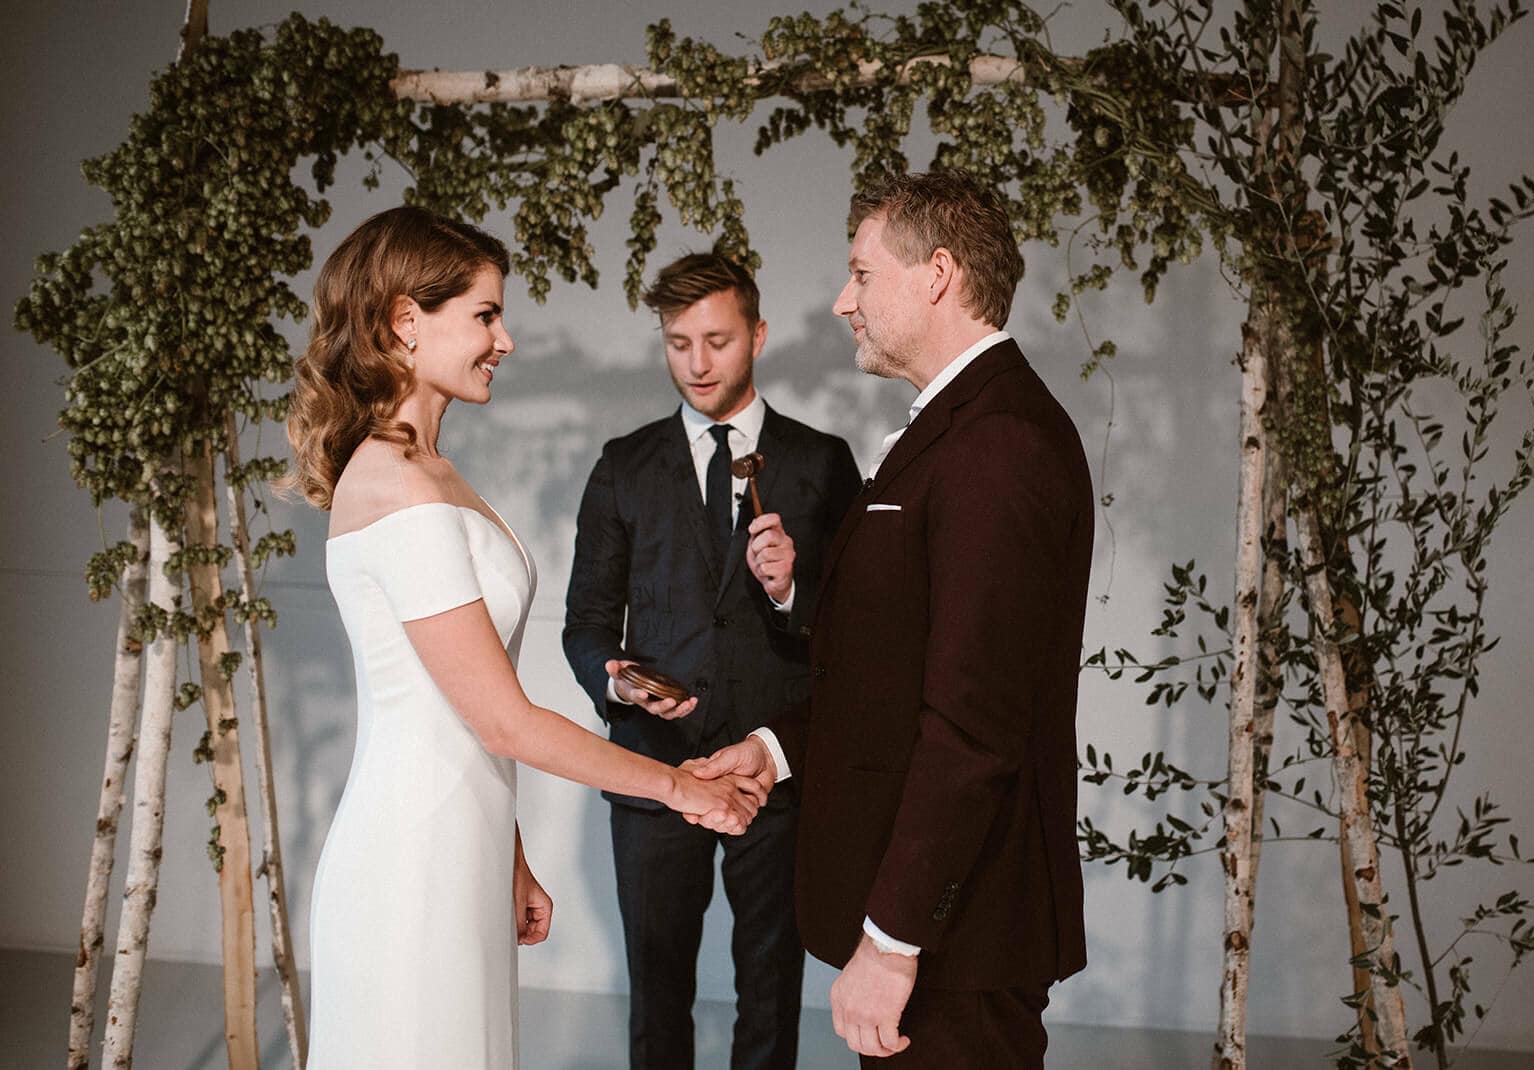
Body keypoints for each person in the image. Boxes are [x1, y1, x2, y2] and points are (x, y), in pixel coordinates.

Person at [286, 207, 762, 1070]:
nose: (503, 340)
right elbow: (503, 721)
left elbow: (459, 705)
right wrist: (679, 788)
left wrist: (506, 854)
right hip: (411, 862)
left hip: (459, 844)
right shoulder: (397, 484)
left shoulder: (429, 470)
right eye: (485, 316)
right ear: (406, 321)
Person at [692, 171, 1094, 1067]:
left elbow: (974, 725)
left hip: (958, 939)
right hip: (931, 931)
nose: (844, 301)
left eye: (862, 274)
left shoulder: (999, 442)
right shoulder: (957, 427)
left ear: (937, 274)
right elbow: (894, 672)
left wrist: (893, 940)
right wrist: (777, 749)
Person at [563, 253, 860, 1069]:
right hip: (653, 764)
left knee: (771, 991)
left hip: (776, 770)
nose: (696, 363)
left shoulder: (823, 462)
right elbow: (586, 624)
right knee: (657, 997)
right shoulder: (623, 464)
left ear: (757, 336)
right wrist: (620, 681)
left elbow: (858, 631)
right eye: (678, 343)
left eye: (717, 341)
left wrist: (792, 590)